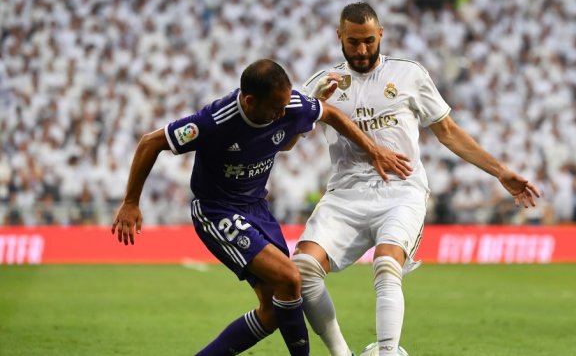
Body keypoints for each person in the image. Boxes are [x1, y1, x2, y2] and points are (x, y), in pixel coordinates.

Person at [111, 59, 412, 356]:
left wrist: (372, 150)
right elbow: (150, 142)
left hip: (257, 207)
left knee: (272, 313)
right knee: (291, 277)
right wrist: (130, 202)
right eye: (276, 108)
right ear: (250, 100)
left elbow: (323, 117)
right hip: (218, 210)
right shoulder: (214, 121)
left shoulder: (289, 104)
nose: (283, 112)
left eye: (285, 106)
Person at [292, 3, 540, 356]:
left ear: (381, 35)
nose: (361, 50)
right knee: (302, 268)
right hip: (345, 193)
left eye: (367, 41)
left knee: (387, 262)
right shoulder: (322, 82)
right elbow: (287, 139)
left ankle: (388, 351)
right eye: (352, 42)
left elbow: (448, 132)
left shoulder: (409, 75)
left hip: (401, 189)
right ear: (339, 38)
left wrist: (500, 171)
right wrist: (313, 103)